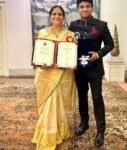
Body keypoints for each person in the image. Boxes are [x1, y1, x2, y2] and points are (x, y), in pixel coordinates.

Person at [69, 0, 114, 148]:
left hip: (95, 69)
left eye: (87, 6)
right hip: (79, 69)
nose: (85, 9)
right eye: (82, 7)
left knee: (97, 99)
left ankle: (100, 130)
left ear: (91, 8)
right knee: (82, 97)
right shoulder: (73, 25)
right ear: (78, 9)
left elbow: (110, 44)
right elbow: (68, 44)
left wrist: (98, 54)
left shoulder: (101, 25)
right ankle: (84, 123)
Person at [31, 5, 76, 150]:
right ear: (50, 16)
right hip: (46, 74)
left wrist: (71, 63)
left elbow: (72, 54)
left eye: (60, 14)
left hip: (63, 75)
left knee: (60, 105)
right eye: (54, 14)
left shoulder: (69, 34)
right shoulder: (42, 33)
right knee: (47, 105)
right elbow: (37, 54)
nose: (57, 17)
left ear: (63, 17)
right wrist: (39, 63)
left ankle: (58, 130)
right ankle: (47, 132)